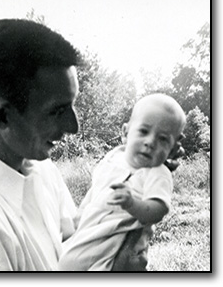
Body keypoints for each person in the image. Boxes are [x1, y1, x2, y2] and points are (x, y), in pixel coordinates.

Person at [0, 19, 161, 271]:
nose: (73, 126)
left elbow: (76, 242)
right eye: (58, 111)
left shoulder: (37, 167)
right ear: (3, 117)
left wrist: (146, 168)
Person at [58, 93, 186, 271]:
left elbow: (158, 209)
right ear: (125, 133)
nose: (150, 142)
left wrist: (132, 204)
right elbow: (96, 190)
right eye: (143, 131)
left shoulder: (158, 173)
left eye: (163, 139)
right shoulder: (114, 156)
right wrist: (78, 219)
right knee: (63, 264)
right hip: (88, 233)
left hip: (114, 242)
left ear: (173, 148)